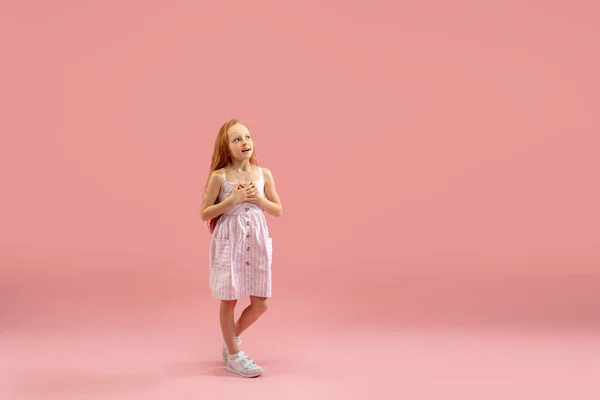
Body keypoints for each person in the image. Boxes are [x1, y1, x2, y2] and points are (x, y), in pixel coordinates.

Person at [200, 119, 282, 378]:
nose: (244, 142)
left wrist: (259, 198)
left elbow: (277, 209)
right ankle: (234, 355)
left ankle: (231, 339)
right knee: (230, 298)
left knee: (261, 303)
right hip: (231, 242)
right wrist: (232, 199)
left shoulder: (263, 174)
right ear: (226, 148)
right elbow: (205, 213)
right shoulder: (219, 177)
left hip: (255, 242)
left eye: (247, 137)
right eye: (237, 139)